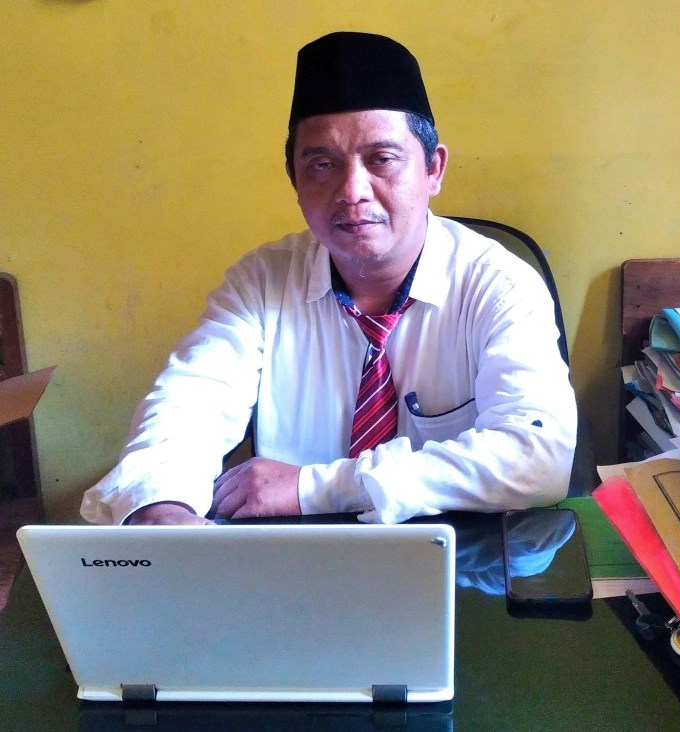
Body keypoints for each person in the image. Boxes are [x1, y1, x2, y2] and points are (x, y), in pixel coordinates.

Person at [81, 31, 577, 527]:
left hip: (463, 559)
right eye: (322, 165)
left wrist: (314, 487)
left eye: (382, 160)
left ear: (433, 169)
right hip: (295, 562)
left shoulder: (499, 285)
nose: (352, 191)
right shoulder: (262, 282)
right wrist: (161, 507)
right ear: (295, 179)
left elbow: (537, 458)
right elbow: (186, 407)